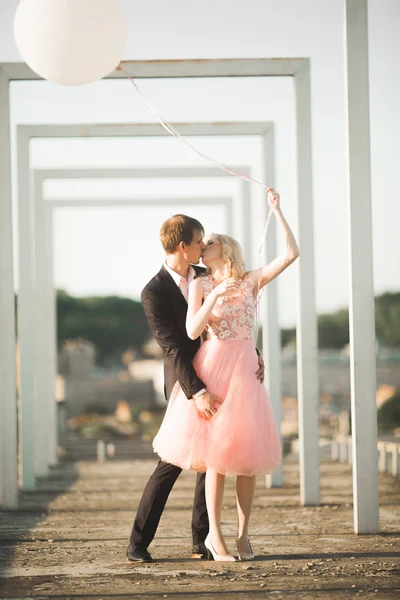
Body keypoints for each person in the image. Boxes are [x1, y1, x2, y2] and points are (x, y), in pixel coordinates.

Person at [153, 188, 299, 561]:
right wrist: (215, 297)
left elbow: (291, 255)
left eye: (210, 242)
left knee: (247, 459)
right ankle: (214, 538)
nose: (203, 247)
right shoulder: (201, 284)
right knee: (216, 458)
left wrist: (277, 210)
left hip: (245, 371)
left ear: (226, 248)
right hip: (215, 365)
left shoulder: (251, 280)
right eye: (201, 242)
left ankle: (243, 534)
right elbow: (191, 330)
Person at [126, 214, 265, 563]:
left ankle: (202, 541)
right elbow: (172, 347)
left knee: (215, 457)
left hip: (225, 375)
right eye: (199, 241)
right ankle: (137, 544)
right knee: (170, 463)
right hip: (187, 383)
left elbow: (234, 321)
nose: (204, 246)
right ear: (182, 246)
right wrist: (197, 391)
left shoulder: (206, 276)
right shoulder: (153, 292)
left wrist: (255, 355)